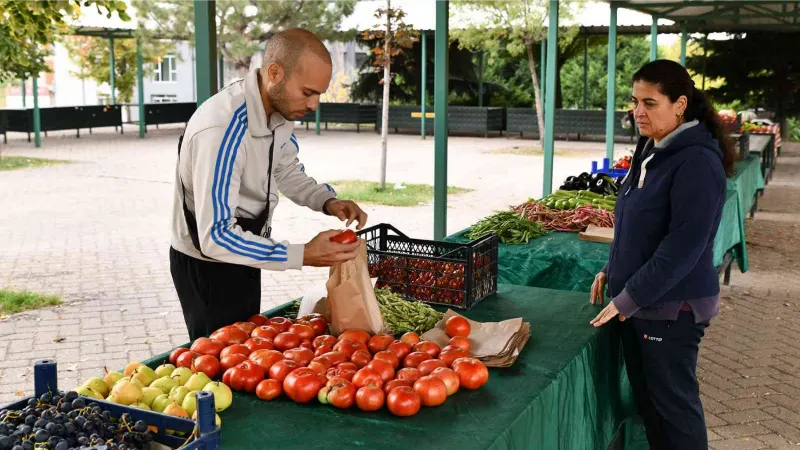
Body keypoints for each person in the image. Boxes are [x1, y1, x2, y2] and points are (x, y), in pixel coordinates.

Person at [169, 28, 368, 340]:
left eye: (318, 94)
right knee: (219, 367)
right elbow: (216, 237)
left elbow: (285, 169)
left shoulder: (278, 109)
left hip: (246, 248)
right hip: (208, 264)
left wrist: (325, 200)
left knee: (247, 350)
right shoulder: (222, 130)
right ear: (275, 72)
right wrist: (302, 254)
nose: (314, 105)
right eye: (307, 92)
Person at [588, 59, 735, 450]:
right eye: (635, 102)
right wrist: (612, 267)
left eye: (650, 103)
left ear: (680, 105)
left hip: (671, 309)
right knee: (651, 409)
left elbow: (683, 247)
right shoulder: (651, 146)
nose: (638, 112)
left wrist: (629, 296)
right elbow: (638, 223)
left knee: (674, 411)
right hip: (643, 306)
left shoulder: (697, 162)